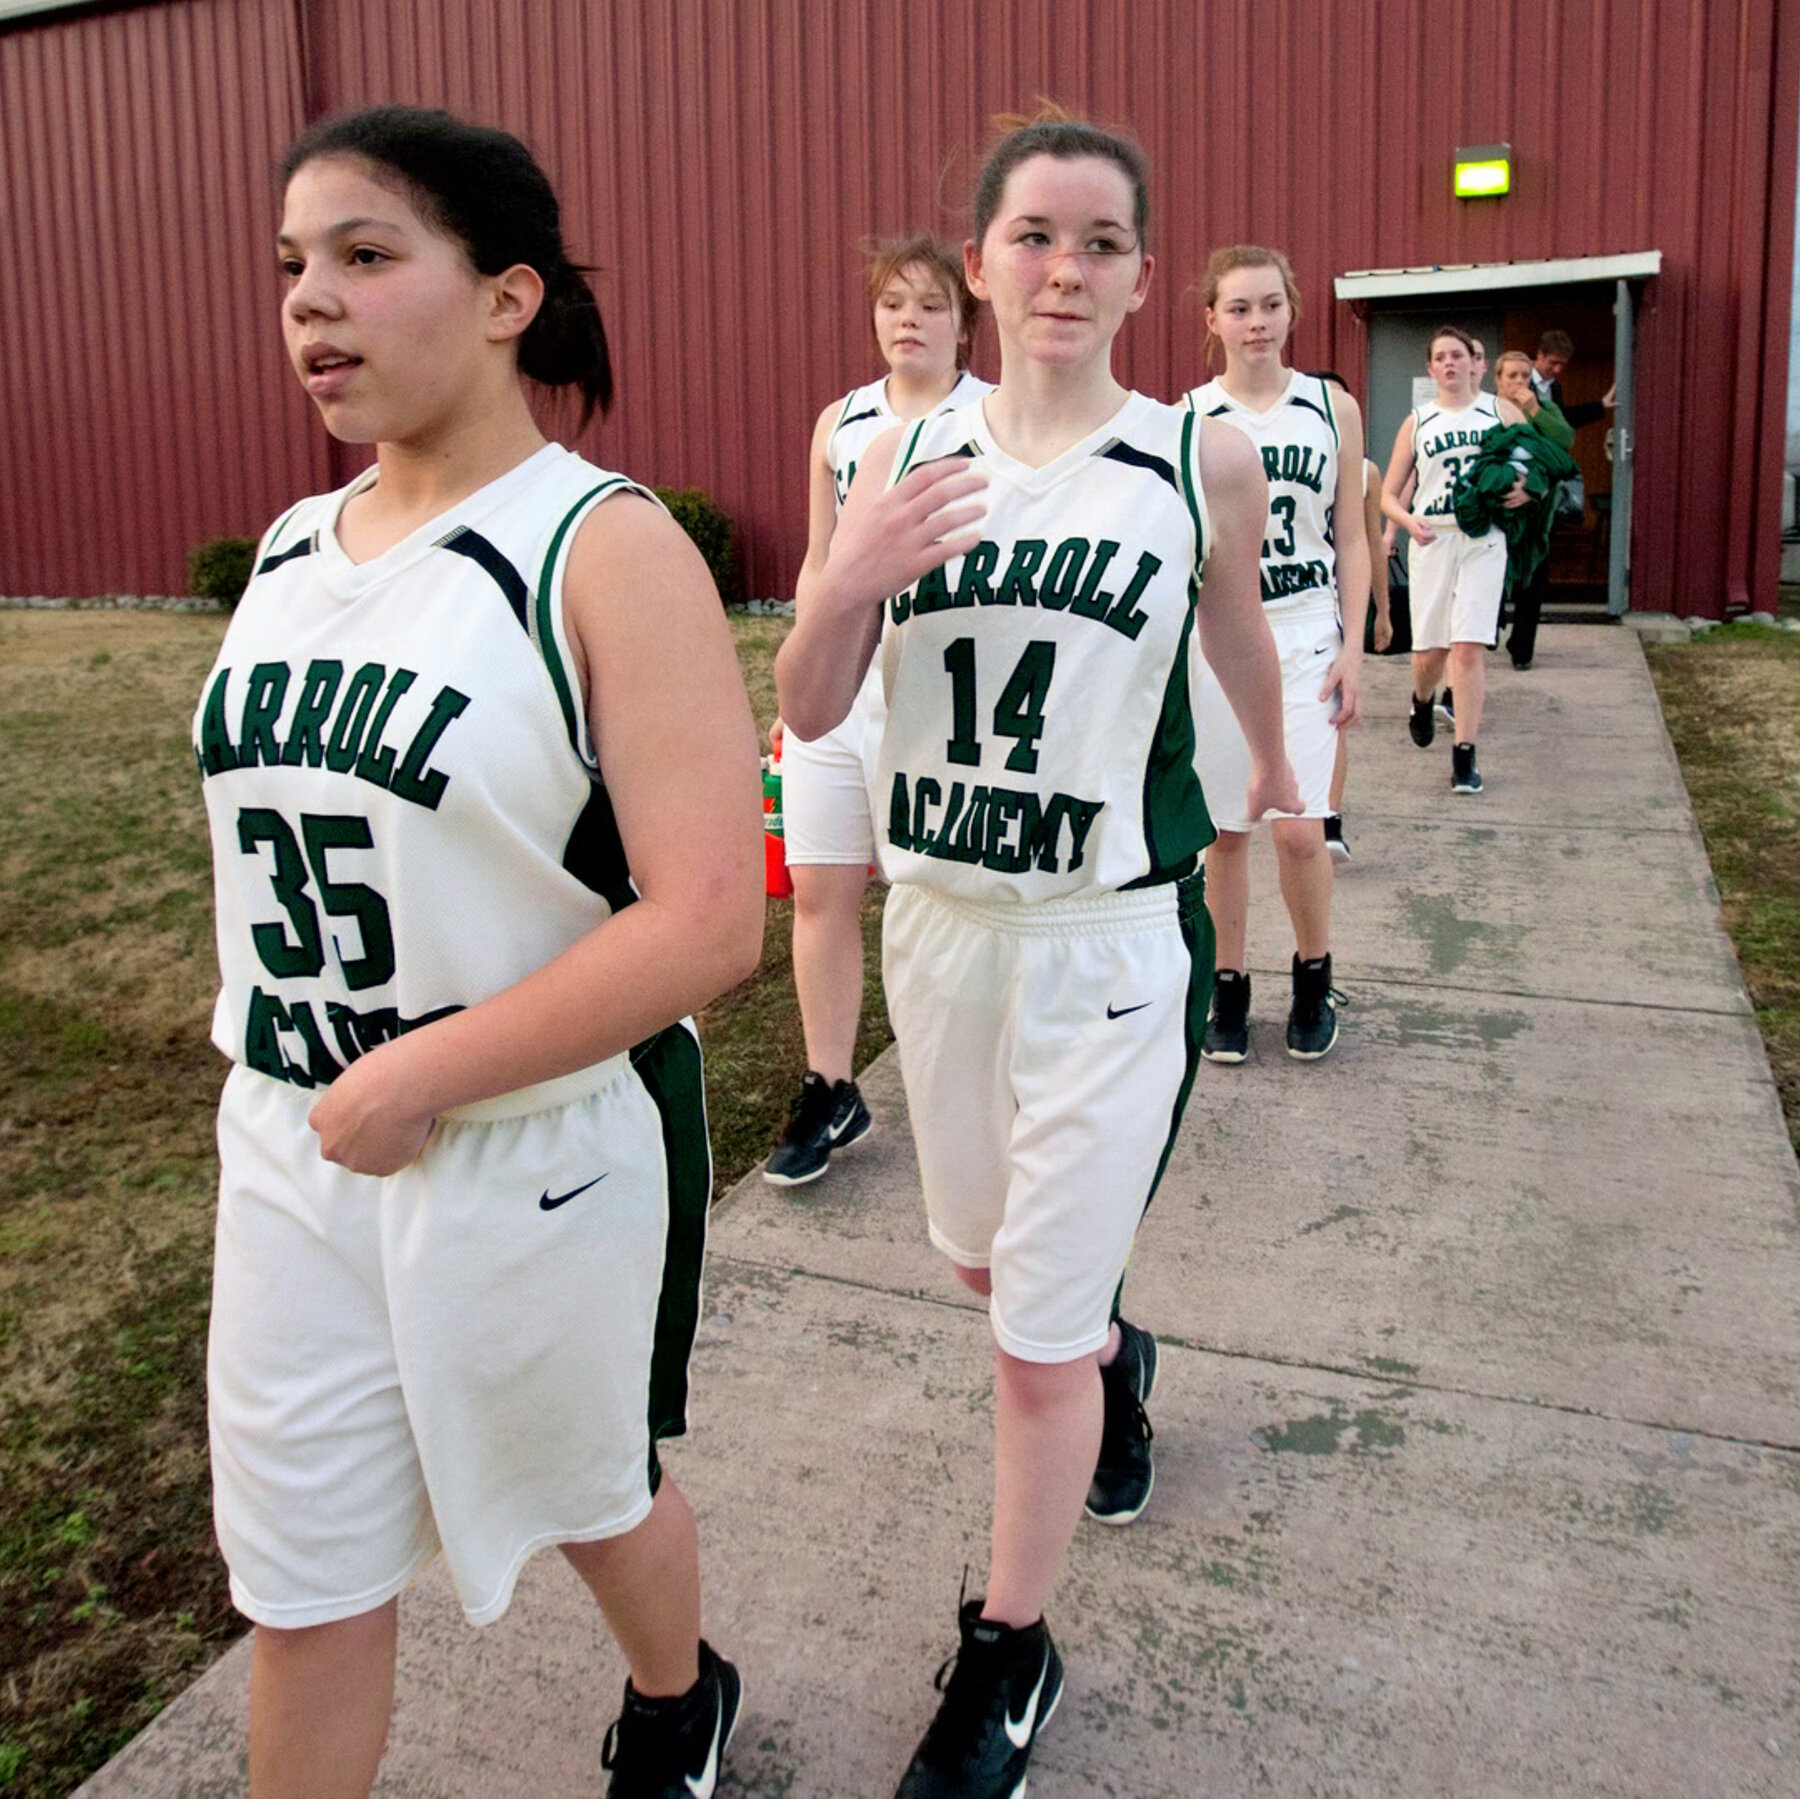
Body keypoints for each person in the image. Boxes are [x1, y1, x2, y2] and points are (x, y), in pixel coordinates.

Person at [195, 105, 763, 1799]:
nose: (313, 301)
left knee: (591, 1492)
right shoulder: (295, 549)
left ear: (508, 294)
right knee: (303, 1583)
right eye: (295, 264)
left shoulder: (601, 542)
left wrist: (425, 1066)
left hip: (528, 1150)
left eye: (366, 256)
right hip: (293, 1146)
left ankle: (681, 1687)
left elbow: (711, 916)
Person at [778, 108, 1296, 1799]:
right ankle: (1111, 1349)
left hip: (1104, 940)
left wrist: (1281, 767)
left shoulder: (1186, 455)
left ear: (1147, 277)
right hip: (938, 926)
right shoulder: (894, 455)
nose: (1065, 268)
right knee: (994, 1282)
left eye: (1099, 241)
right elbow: (801, 704)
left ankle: (1011, 1642)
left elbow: (1229, 631)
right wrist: (846, 566)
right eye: (1034, 236)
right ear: (982, 260)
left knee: (1022, 1347)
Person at [764, 237, 991, 1187]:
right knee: (821, 892)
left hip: (938, 687)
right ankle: (830, 1085)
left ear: (964, 321)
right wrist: (803, 675)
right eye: (892, 304)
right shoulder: (840, 422)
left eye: (930, 305)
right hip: (843, 683)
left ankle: (969, 1088)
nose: (909, 320)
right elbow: (822, 563)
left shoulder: (993, 418)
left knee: (936, 901)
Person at [1185, 254, 1372, 1062]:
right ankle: (1229, 986)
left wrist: (1356, 645)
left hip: (1304, 636)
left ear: (1293, 310)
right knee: (1224, 833)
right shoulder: (1190, 416)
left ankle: (1312, 971)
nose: (1255, 321)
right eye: (1238, 307)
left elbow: (1354, 535)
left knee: (1299, 830)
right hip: (1221, 640)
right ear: (1213, 319)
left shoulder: (1332, 405)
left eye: (1269, 305)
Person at [1380, 325, 1528, 794]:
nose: (1449, 363)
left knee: (1468, 646)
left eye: (1457, 355)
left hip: (1483, 537)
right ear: (1430, 369)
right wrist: (1405, 522)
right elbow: (1386, 494)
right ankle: (1422, 699)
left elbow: (1539, 463)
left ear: (1474, 362)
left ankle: (1465, 755)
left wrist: (1526, 489)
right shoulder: (1418, 421)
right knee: (1430, 653)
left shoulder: (1499, 412)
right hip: (1433, 538)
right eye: (1440, 357)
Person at [1493, 349, 1577, 669]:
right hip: (1499, 508)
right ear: (1498, 379)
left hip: (1537, 509)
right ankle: (1489, 629)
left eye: (1524, 375)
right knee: (1494, 570)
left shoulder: (1544, 407)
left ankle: (1522, 648)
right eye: (1511, 375)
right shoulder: (1489, 410)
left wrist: (1534, 409)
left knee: (1533, 576)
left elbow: (1565, 440)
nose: (1519, 381)